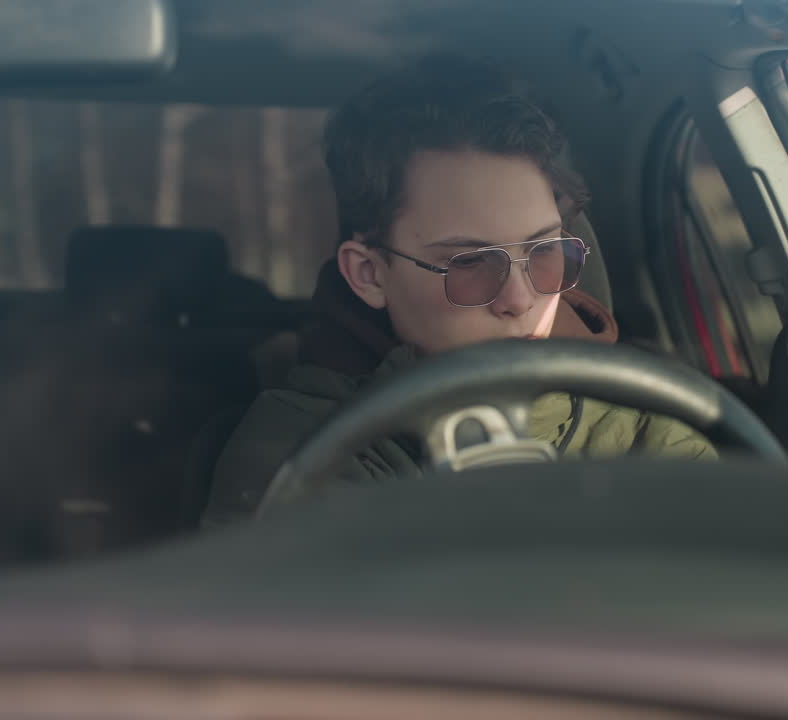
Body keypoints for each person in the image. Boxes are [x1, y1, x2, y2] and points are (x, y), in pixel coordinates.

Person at [204, 55, 714, 529]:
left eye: (543, 252)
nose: (520, 300)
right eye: (470, 263)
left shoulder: (649, 430)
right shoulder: (295, 456)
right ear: (369, 274)